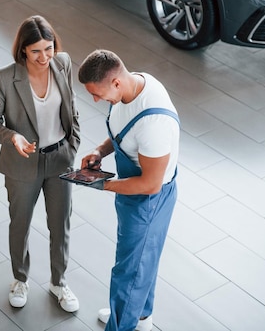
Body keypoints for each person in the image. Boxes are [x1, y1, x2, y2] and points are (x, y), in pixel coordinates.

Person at [0, 15, 81, 312]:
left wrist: (72, 148)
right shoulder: (5, 77)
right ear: (23, 49)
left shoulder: (62, 64)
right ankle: (20, 279)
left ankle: (59, 282)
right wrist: (12, 137)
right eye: (36, 50)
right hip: (23, 163)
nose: (44, 57)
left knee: (60, 224)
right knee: (21, 224)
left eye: (48, 48)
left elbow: (73, 110)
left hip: (60, 159)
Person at [78, 49, 180, 331]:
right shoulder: (132, 86)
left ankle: (121, 325)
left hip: (149, 201)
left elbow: (150, 184)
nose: (97, 100)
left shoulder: (153, 124)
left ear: (116, 83)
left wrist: (100, 183)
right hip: (132, 193)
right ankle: (142, 318)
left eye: (98, 94)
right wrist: (100, 150)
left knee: (129, 272)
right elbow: (123, 132)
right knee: (141, 262)